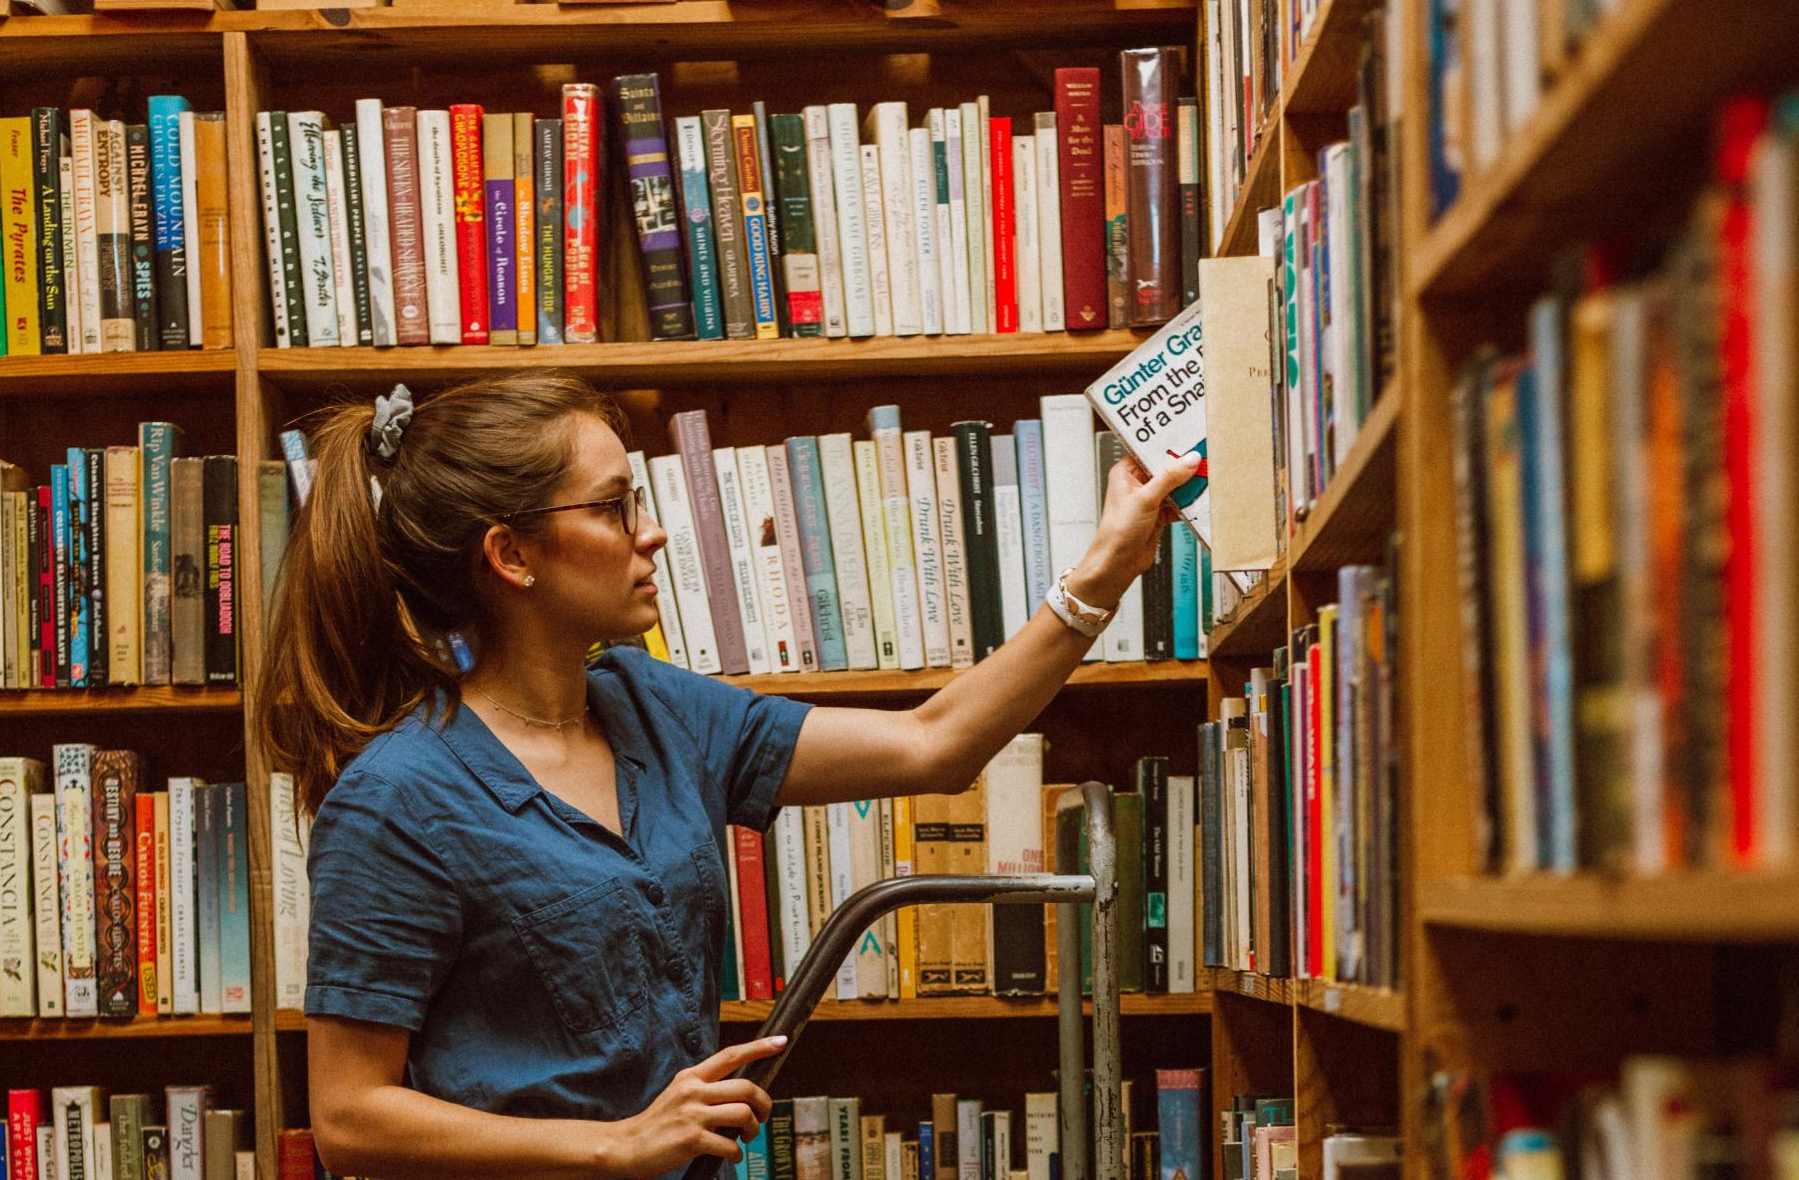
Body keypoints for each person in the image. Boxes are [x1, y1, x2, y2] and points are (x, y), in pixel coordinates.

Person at [257, 373, 1199, 1180]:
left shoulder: (654, 707)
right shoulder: (398, 799)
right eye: (615, 505)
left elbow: (934, 745)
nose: (653, 533)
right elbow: (348, 1119)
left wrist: (1105, 573)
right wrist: (616, 1147)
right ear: (510, 555)